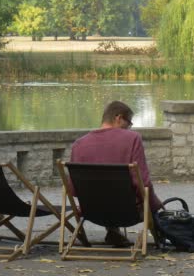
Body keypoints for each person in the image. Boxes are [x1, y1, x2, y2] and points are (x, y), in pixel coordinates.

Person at [69, 100, 163, 247]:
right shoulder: (132, 139)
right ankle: (159, 235)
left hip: (92, 213)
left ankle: (113, 231)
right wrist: (155, 205)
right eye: (129, 122)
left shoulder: (79, 144)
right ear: (118, 118)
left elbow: (73, 190)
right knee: (143, 201)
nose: (129, 127)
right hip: (128, 213)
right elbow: (142, 182)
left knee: (106, 195)